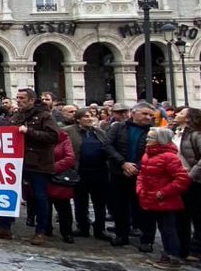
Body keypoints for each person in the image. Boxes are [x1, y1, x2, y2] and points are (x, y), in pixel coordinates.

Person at [0, 88, 60, 243]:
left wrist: (29, 132)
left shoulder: (44, 116)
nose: (18, 100)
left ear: (32, 100)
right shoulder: (17, 115)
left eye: (22, 98)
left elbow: (53, 136)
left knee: (40, 196)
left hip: (38, 163)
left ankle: (41, 231)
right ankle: (5, 226)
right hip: (16, 161)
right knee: (7, 192)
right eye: (17, 97)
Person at [136, 127, 191, 270]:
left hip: (165, 200)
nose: (147, 140)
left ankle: (173, 257)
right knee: (160, 228)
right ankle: (166, 255)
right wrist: (140, 188)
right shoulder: (147, 155)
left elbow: (182, 179)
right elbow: (142, 174)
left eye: (151, 138)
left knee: (168, 229)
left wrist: (163, 192)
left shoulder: (170, 157)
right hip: (149, 197)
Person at [67, 109, 121, 240]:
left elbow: (108, 147)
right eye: (86, 116)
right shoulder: (68, 131)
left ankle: (100, 228)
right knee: (80, 201)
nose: (90, 119)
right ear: (78, 119)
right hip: (80, 171)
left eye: (92, 116)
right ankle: (83, 227)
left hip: (99, 172)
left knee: (99, 202)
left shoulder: (100, 132)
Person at [106, 103, 155, 249]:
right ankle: (122, 234)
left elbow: (153, 150)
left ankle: (146, 239)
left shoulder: (153, 131)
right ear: (134, 113)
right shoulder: (118, 127)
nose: (148, 117)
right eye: (144, 114)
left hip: (142, 174)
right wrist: (123, 163)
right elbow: (108, 145)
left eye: (150, 115)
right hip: (119, 172)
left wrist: (137, 166)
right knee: (119, 205)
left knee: (144, 207)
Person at [172, 107, 201, 263]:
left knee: (199, 216)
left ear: (189, 119)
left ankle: (198, 249)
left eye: (181, 113)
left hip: (196, 181)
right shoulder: (176, 132)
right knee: (180, 215)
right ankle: (182, 247)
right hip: (179, 179)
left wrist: (192, 174)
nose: (177, 114)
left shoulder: (199, 134)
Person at [46, 129, 77, 243]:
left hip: (60, 177)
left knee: (63, 207)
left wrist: (52, 167)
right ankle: (46, 228)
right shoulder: (42, 138)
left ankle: (66, 232)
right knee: (45, 205)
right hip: (44, 176)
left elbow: (70, 158)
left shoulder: (64, 139)